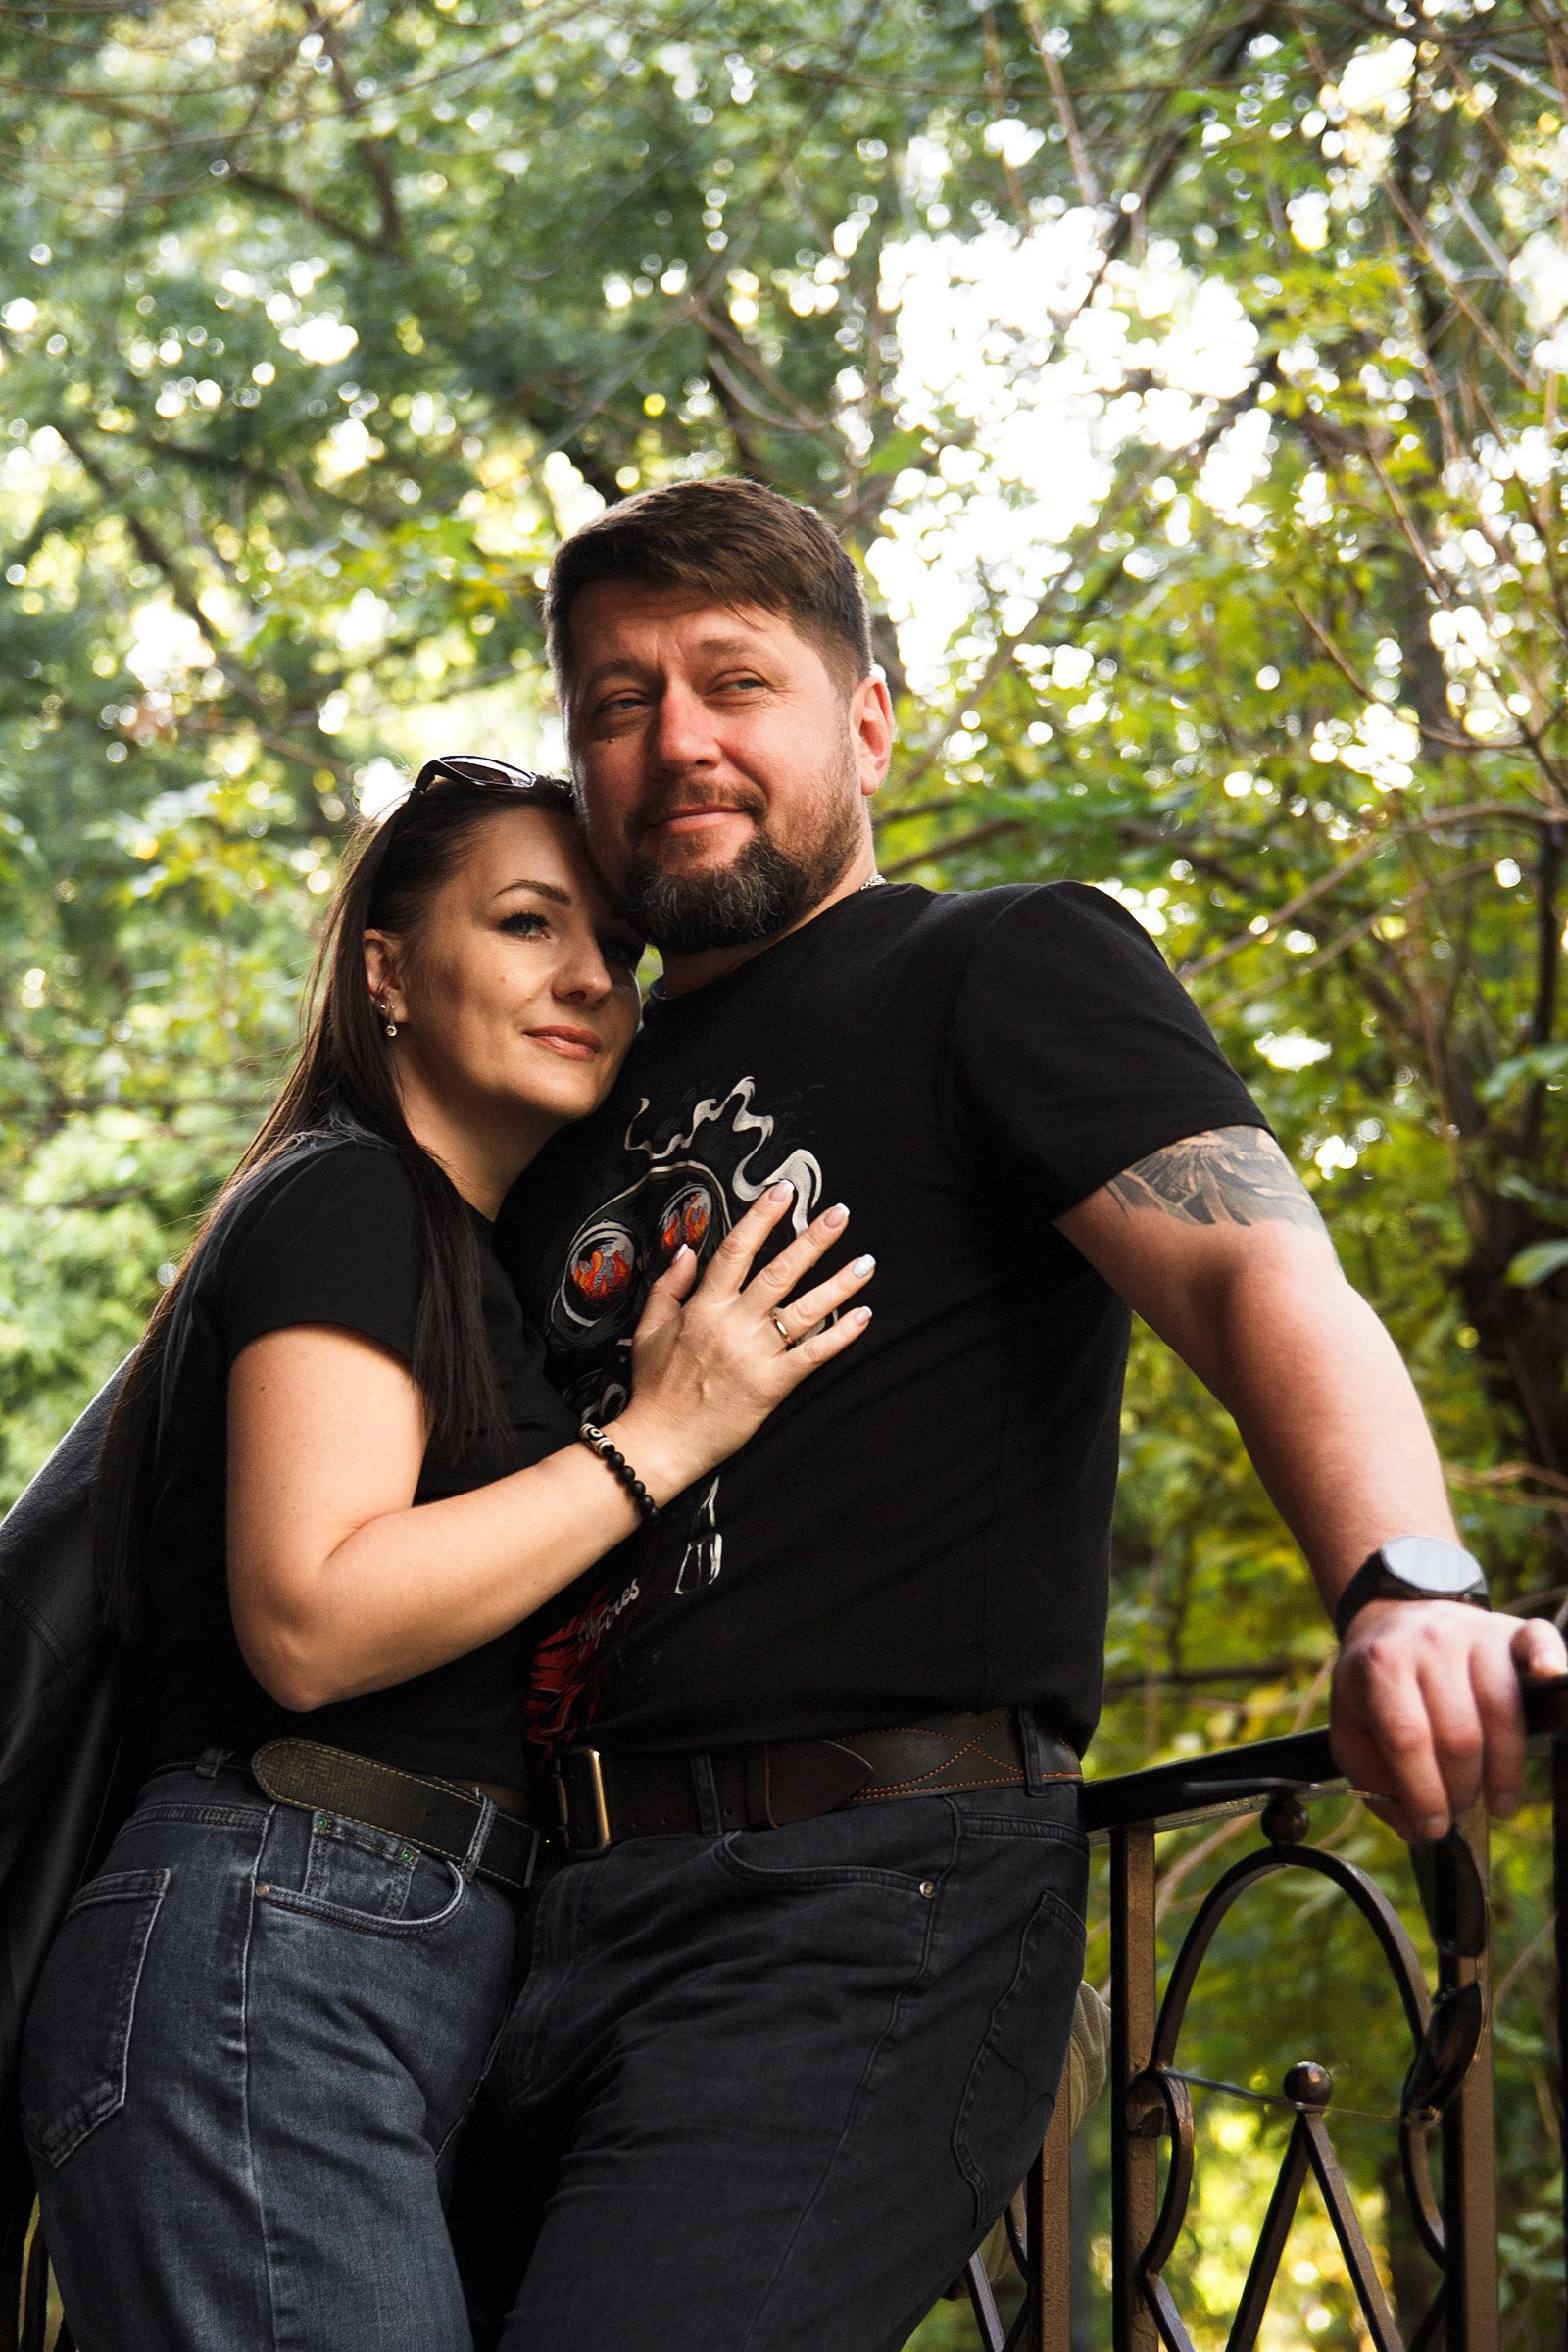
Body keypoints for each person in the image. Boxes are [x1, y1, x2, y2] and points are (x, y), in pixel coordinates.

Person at [475, 477, 1568, 2352]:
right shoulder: (559, 1103)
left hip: (850, 1902)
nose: (678, 741)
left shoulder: (994, 964)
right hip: (518, 1928)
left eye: (735, 682)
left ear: (867, 721)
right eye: (617, 703)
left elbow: (1254, 1272)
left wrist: (1403, 1582)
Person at [18, 759, 874, 2352]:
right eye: (528, 924)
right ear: (389, 970)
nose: (589, 979)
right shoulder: (351, 1201)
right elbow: (314, 1619)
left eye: (613, 949)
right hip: (276, 1939)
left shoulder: (456, 1254)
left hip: (367, 1953)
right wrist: (658, 1440)